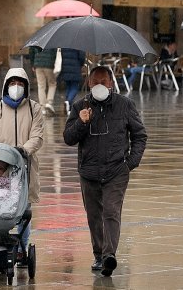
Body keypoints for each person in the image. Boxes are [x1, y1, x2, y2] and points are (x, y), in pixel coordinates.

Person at [63, 65, 147, 276]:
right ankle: (99, 254)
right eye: (95, 82)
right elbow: (68, 138)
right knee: (94, 216)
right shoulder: (79, 106)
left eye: (103, 81)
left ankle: (109, 255)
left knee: (111, 211)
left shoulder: (125, 105)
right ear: (89, 83)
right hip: (89, 172)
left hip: (116, 170)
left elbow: (139, 135)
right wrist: (81, 122)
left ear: (111, 83)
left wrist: (130, 163)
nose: (99, 85)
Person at [0, 68, 44, 266]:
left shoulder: (34, 109)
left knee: (24, 210)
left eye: (20, 83)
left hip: (26, 166)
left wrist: (23, 150)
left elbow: (37, 137)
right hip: (0, 169)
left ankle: (22, 249)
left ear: (26, 86)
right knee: (1, 209)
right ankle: (1, 248)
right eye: (13, 83)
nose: (16, 87)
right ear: (6, 85)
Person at [29, 47, 57, 116]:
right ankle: (49, 103)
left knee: (41, 86)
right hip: (49, 65)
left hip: (38, 64)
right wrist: (53, 63)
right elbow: (54, 53)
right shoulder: (52, 39)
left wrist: (33, 64)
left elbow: (31, 52)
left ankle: (42, 108)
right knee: (52, 84)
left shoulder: (37, 39)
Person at [58, 48, 86, 116]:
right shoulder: (78, 44)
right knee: (74, 87)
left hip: (65, 68)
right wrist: (82, 63)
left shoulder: (64, 45)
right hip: (75, 67)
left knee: (68, 87)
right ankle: (68, 101)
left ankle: (68, 106)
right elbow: (81, 56)